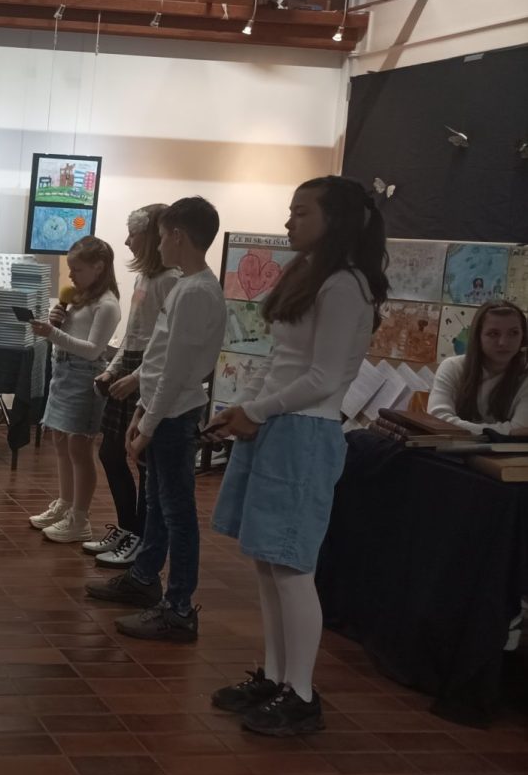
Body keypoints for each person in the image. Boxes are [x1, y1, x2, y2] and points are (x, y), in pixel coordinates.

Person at [205, 176, 387, 736]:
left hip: (305, 432)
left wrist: (257, 411)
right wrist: (242, 408)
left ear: (336, 219)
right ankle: (275, 675)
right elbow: (279, 358)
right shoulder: (310, 274)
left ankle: (301, 694)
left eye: (301, 212)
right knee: (267, 561)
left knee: (291, 566)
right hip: (275, 425)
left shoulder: (347, 285)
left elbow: (325, 378)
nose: (289, 222)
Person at [85, 197, 226, 647]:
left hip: (176, 414)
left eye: (162, 236)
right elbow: (160, 357)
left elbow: (177, 370)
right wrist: (143, 410)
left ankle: (178, 608)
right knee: (161, 505)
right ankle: (144, 577)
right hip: (163, 410)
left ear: (178, 236)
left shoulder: (197, 291)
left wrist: (147, 423)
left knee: (177, 512)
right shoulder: (186, 286)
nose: (157, 244)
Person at [86, 205, 178, 568]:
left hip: (150, 371)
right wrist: (112, 369)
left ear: (152, 237)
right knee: (110, 453)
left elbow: (165, 344)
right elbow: (133, 333)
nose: (126, 241)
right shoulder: (144, 278)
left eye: (133, 234)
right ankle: (126, 528)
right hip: (130, 366)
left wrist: (137, 376)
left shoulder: (171, 280)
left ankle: (140, 537)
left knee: (142, 462)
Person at [29, 236, 122, 543]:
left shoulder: (107, 304)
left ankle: (80, 518)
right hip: (62, 372)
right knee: (60, 441)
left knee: (79, 448)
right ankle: (65, 503)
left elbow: (93, 350)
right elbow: (71, 336)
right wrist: (58, 322)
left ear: (99, 267)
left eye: (77, 269)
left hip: (84, 378)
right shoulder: (79, 298)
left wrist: (52, 333)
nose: (70, 275)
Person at [427, 300, 528, 434]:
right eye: (493, 334)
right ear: (478, 336)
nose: (503, 342)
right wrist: (504, 432)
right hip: (452, 446)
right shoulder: (453, 367)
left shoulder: (525, 376)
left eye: (513, 333)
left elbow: (521, 430)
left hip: (506, 449)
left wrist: (458, 428)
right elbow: (438, 420)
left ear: (523, 336)